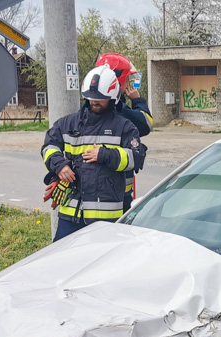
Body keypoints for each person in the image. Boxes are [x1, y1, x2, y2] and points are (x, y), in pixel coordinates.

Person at [41, 64, 146, 241]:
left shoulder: (124, 127)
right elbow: (48, 146)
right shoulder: (68, 123)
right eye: (90, 98)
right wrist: (59, 166)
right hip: (71, 214)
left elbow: (137, 157)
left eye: (100, 98)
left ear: (112, 98)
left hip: (106, 217)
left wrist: (106, 155)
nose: (94, 102)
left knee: (103, 265)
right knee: (61, 261)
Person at [95, 53, 153, 211]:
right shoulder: (120, 110)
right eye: (127, 79)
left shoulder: (90, 109)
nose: (128, 83)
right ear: (119, 80)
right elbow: (146, 124)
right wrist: (137, 100)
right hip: (120, 193)